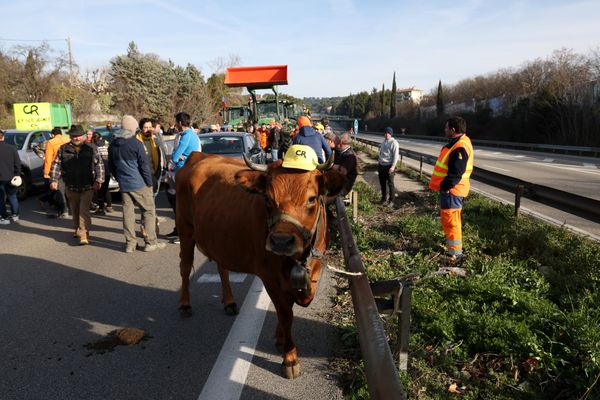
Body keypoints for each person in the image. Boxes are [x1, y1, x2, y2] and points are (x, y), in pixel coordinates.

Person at [108, 115, 166, 253]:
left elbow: (112, 167)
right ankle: (151, 242)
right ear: (133, 128)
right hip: (139, 183)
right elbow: (144, 166)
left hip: (124, 184)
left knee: (128, 214)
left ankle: (130, 244)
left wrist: (120, 179)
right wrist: (149, 182)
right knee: (148, 211)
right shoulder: (135, 144)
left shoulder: (113, 145)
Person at [428, 116, 474, 262]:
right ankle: (453, 251)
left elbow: (456, 172)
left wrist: (445, 187)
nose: (445, 130)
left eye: (446, 127)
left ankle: (455, 255)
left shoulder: (460, 146)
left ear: (453, 130)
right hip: (453, 190)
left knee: (451, 222)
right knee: (450, 221)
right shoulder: (459, 143)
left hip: (452, 191)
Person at [49, 125, 104, 245]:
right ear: (70, 136)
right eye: (74, 136)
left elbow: (99, 164)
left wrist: (99, 180)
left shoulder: (91, 148)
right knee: (75, 210)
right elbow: (56, 165)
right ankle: (77, 228)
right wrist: (53, 180)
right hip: (71, 185)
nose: (76, 138)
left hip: (88, 185)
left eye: (78, 135)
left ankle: (83, 233)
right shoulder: (63, 148)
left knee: (83, 211)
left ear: (84, 136)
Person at [165, 112, 201, 241]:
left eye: (176, 122)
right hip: (189, 170)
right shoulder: (192, 134)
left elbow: (176, 156)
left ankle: (184, 234)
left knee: (182, 205)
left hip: (184, 172)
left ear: (180, 123)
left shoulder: (186, 136)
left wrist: (177, 157)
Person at [41, 127, 70, 217]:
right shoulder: (68, 139)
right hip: (69, 168)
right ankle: (70, 208)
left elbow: (48, 159)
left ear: (53, 135)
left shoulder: (51, 142)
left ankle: (64, 209)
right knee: (68, 189)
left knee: (59, 190)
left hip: (57, 169)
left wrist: (46, 172)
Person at [0, 129, 21, 225]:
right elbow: (18, 163)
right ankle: (15, 215)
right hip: (11, 177)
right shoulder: (12, 148)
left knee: (1, 199)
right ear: (3, 137)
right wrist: (17, 174)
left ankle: (4, 217)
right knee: (12, 197)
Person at [377, 127, 399, 205]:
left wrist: (393, 167)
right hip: (381, 165)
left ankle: (391, 200)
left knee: (390, 184)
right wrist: (379, 162)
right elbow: (381, 153)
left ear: (391, 134)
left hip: (389, 166)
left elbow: (396, 156)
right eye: (385, 133)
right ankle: (383, 199)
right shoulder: (383, 142)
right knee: (382, 183)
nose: (386, 135)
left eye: (388, 133)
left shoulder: (394, 143)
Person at [92, 131, 112, 214]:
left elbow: (94, 161)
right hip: (108, 171)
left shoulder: (94, 148)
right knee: (106, 189)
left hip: (99, 172)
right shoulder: (107, 146)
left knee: (99, 190)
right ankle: (109, 206)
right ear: (101, 137)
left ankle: (101, 208)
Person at [333, 133, 358, 197]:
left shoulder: (350, 156)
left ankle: (340, 206)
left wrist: (333, 166)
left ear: (340, 142)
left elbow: (342, 172)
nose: (333, 142)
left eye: (335, 140)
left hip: (343, 186)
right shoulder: (338, 150)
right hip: (335, 182)